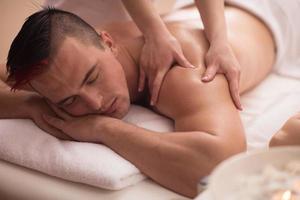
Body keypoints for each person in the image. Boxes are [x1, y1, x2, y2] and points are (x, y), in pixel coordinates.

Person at [0, 1, 291, 198]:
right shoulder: (64, 70)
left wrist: (104, 129)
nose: (95, 104)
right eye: (68, 101)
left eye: (92, 78)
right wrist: (32, 107)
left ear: (109, 42)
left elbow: (220, 164)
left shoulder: (182, 73)